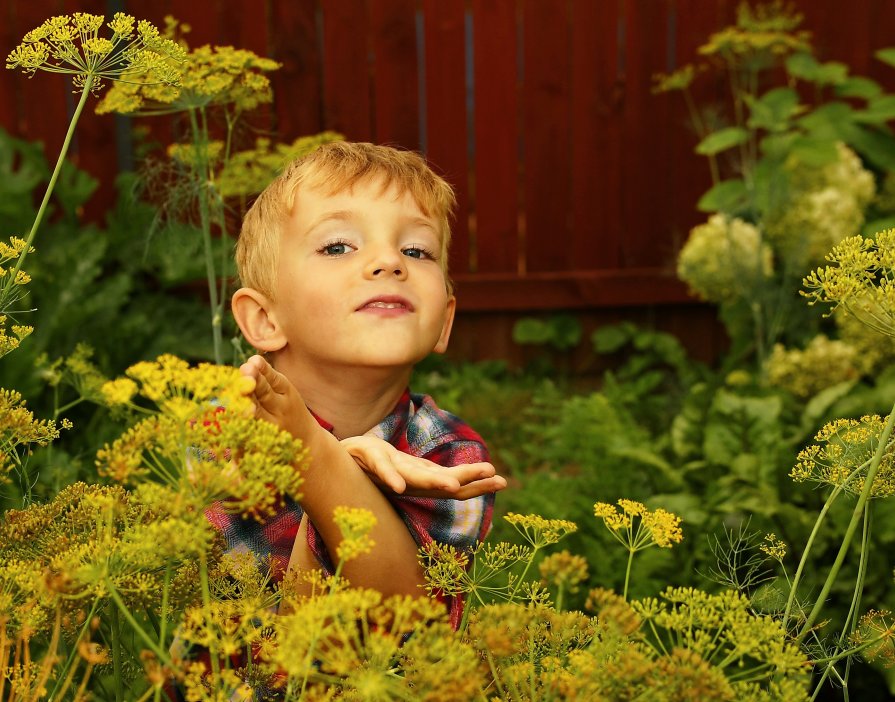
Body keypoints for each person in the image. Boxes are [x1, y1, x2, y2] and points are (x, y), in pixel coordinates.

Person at [207, 141, 507, 627]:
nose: (389, 262)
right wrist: (339, 460)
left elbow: (395, 627)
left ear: (445, 321)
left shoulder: (452, 457)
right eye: (338, 246)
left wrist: (317, 457)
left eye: (416, 249)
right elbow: (280, 641)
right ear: (263, 319)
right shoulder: (222, 430)